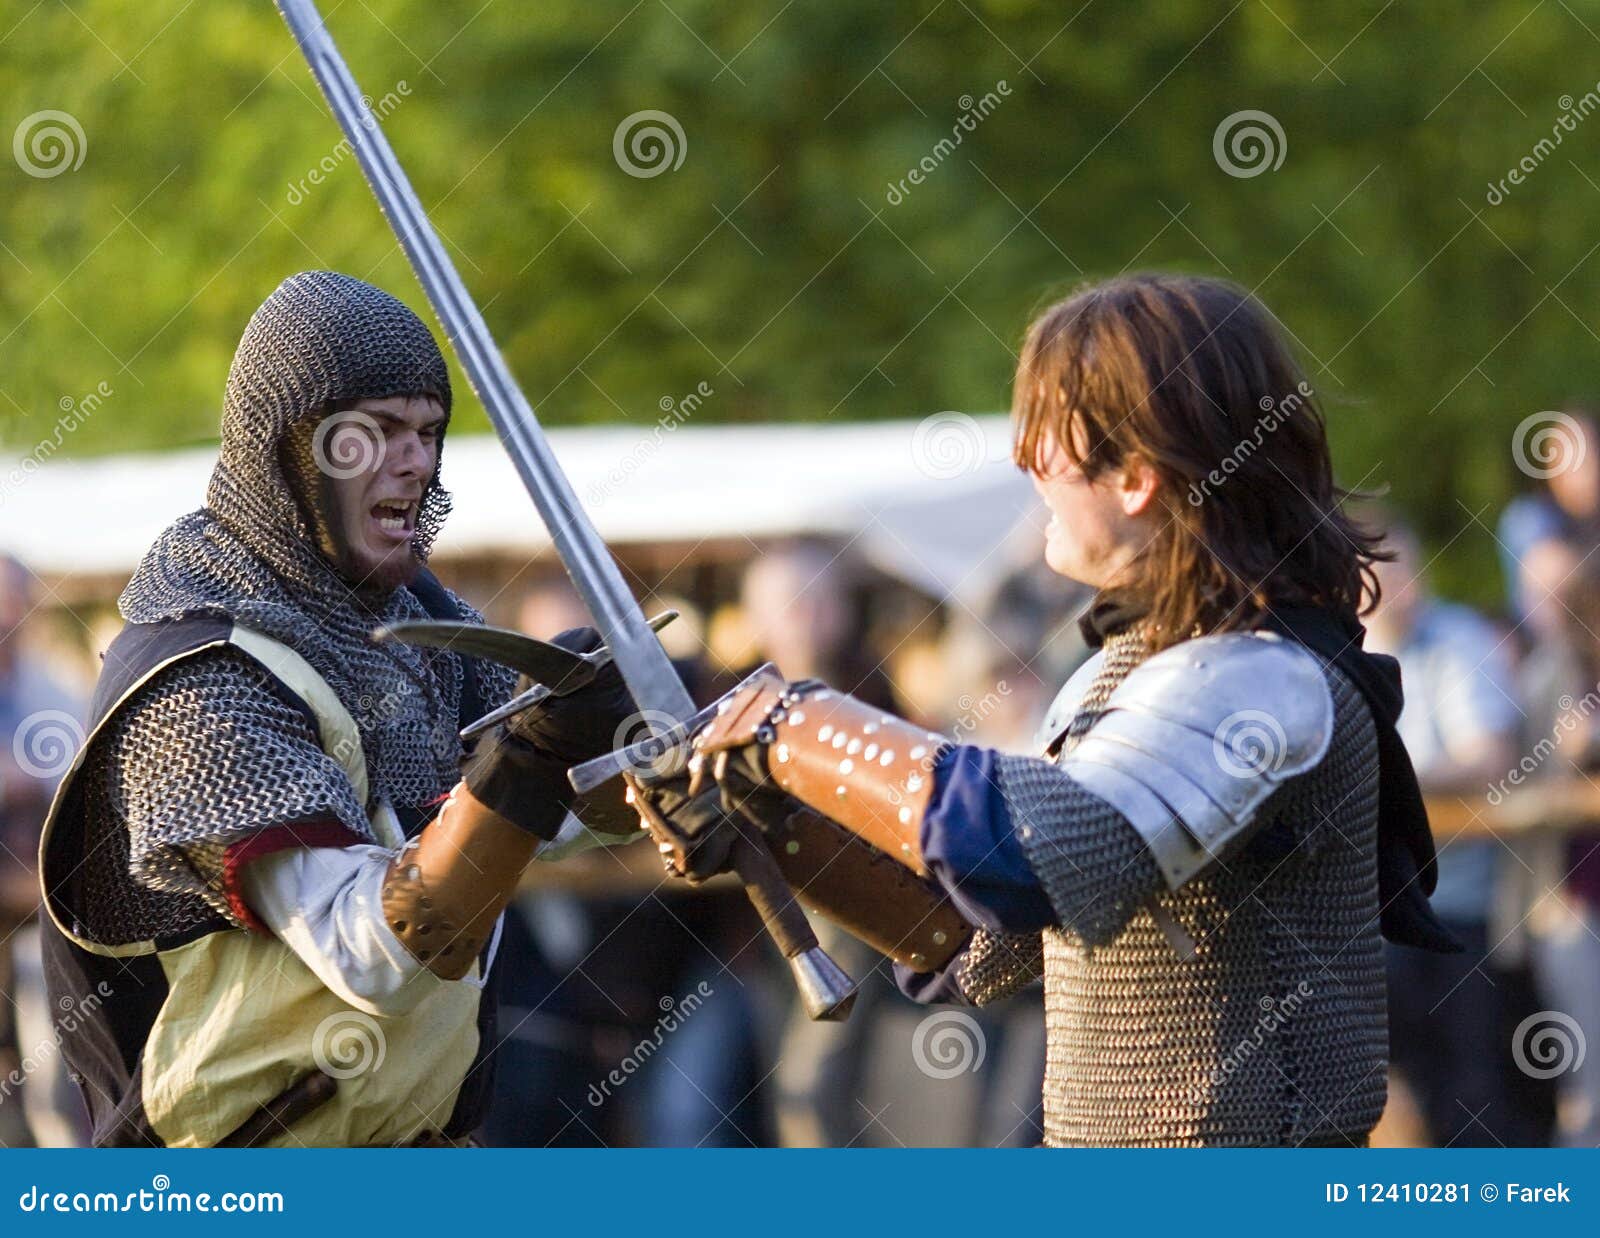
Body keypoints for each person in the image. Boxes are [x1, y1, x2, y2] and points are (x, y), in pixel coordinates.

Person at [642, 272, 1457, 1146]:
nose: (1026, 464)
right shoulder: (1121, 673)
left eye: (1046, 438)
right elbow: (972, 941)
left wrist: (798, 723)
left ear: (1138, 476)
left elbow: (1055, 849)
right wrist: (782, 827)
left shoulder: (1262, 678)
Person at [36, 272, 636, 1147]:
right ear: (288, 446)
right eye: (376, 433)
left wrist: (628, 747)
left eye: (428, 433)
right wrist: (527, 765)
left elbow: (556, 822)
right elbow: (377, 948)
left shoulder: (425, 637)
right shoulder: (192, 675)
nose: (417, 461)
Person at [1365, 521, 1532, 1146]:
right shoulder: (1342, 655)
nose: (1385, 586)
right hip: (1377, 913)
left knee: (1472, 1091)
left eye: (1395, 569)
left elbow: (1488, 757)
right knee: (1391, 1087)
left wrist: (1382, 782)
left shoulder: (1460, 639)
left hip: (1461, 905)